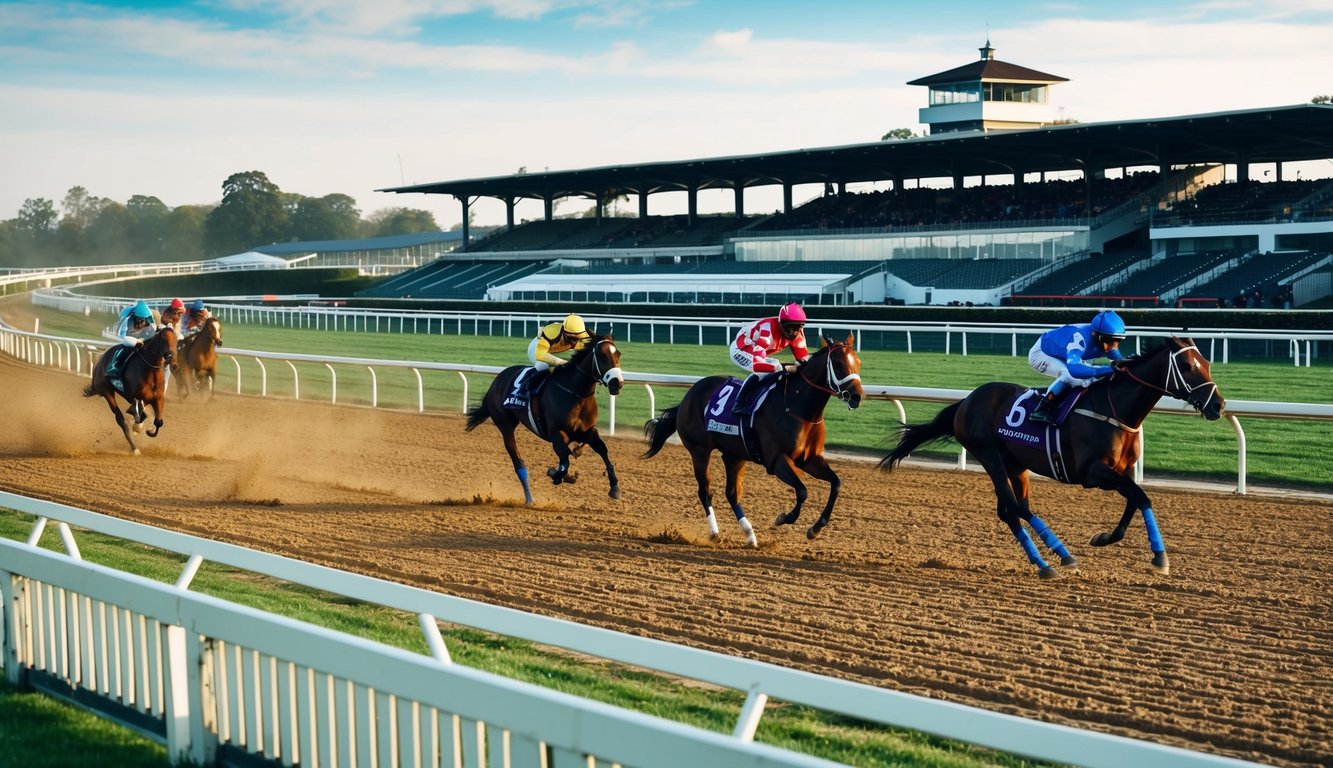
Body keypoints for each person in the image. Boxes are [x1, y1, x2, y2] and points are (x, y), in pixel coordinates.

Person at [1028, 309, 1127, 424]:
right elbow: (1075, 371)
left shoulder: (1107, 338)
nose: (1113, 345)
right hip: (1042, 353)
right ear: (1097, 335)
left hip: (1062, 354)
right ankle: (1041, 409)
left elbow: (1119, 362)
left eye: (1117, 340)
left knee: (1089, 379)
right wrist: (1106, 369)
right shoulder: (1080, 338)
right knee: (1070, 376)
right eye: (1110, 340)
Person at [730, 302, 811, 416]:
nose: (793, 332)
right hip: (740, 350)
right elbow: (759, 365)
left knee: (779, 367)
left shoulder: (798, 334)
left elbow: (804, 361)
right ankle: (739, 404)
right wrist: (786, 367)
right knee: (769, 368)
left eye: (798, 327)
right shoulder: (766, 331)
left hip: (756, 350)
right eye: (789, 328)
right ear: (781, 324)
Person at [527, 314, 592, 371]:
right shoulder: (552, 332)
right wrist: (562, 362)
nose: (573, 342)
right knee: (542, 366)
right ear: (563, 332)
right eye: (570, 338)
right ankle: (528, 382)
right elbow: (539, 355)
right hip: (536, 348)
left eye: (577, 338)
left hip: (558, 352)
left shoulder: (586, 338)